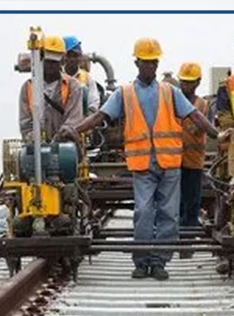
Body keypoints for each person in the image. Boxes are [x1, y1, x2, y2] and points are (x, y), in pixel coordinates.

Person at [62, 38, 221, 280]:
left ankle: (159, 262)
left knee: (168, 214)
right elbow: (100, 117)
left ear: (157, 64)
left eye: (153, 62)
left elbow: (195, 115)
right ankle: (141, 260)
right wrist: (76, 129)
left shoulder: (170, 92)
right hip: (143, 166)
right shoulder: (124, 93)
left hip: (169, 164)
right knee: (144, 212)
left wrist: (217, 135)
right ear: (137, 63)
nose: (149, 67)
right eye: (145, 62)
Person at [19, 35, 85, 143]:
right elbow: (25, 123)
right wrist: (33, 138)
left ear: (62, 61)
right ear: (40, 59)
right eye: (48, 61)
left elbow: (74, 120)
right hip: (36, 146)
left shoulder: (73, 86)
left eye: (54, 62)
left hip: (65, 145)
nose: (51, 65)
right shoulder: (28, 87)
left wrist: (59, 139)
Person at [176, 62, 208, 228]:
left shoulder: (202, 105)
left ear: (198, 82)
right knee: (176, 197)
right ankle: (178, 224)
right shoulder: (172, 101)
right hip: (174, 159)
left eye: (189, 82)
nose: (185, 85)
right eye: (183, 81)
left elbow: (199, 128)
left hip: (194, 159)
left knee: (193, 196)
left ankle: (191, 223)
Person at [62, 35, 102, 116]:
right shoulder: (58, 76)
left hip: (80, 123)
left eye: (75, 55)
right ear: (63, 56)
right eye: (69, 55)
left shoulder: (86, 78)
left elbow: (93, 102)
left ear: (80, 56)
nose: (72, 59)